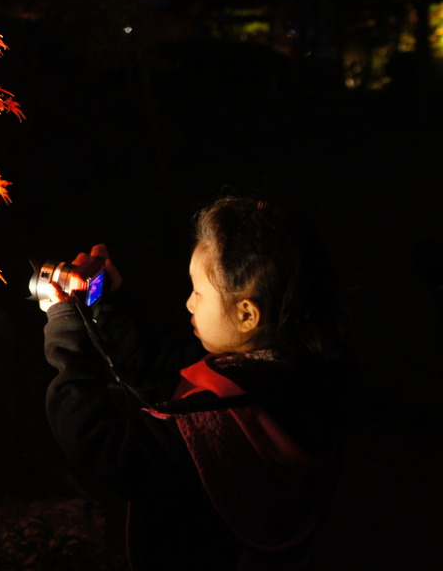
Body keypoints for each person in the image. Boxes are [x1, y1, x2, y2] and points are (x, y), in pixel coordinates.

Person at [40, 196, 344, 571]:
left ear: (247, 314)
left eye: (198, 292)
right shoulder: (284, 374)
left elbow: (98, 444)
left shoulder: (222, 422)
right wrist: (108, 305)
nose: (188, 304)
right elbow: (157, 377)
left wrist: (67, 337)